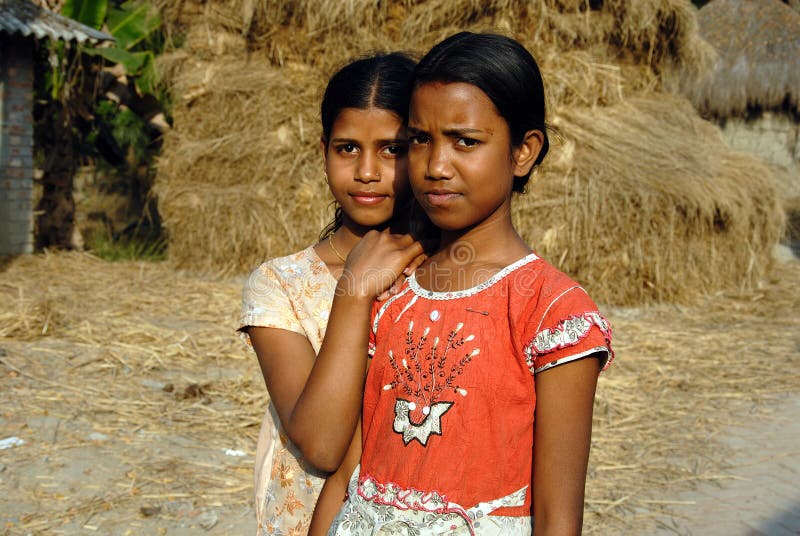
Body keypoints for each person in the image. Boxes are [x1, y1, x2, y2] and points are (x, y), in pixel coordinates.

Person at [318, 32, 615, 535]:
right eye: (420, 139)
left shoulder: (552, 312)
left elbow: (559, 518)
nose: (435, 166)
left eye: (466, 142)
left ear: (524, 152)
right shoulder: (394, 289)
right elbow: (350, 469)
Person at [238, 52, 426, 535]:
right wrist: (353, 293)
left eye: (392, 149)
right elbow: (320, 446)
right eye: (347, 149)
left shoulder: (451, 275)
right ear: (323, 152)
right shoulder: (281, 284)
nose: (367, 171)